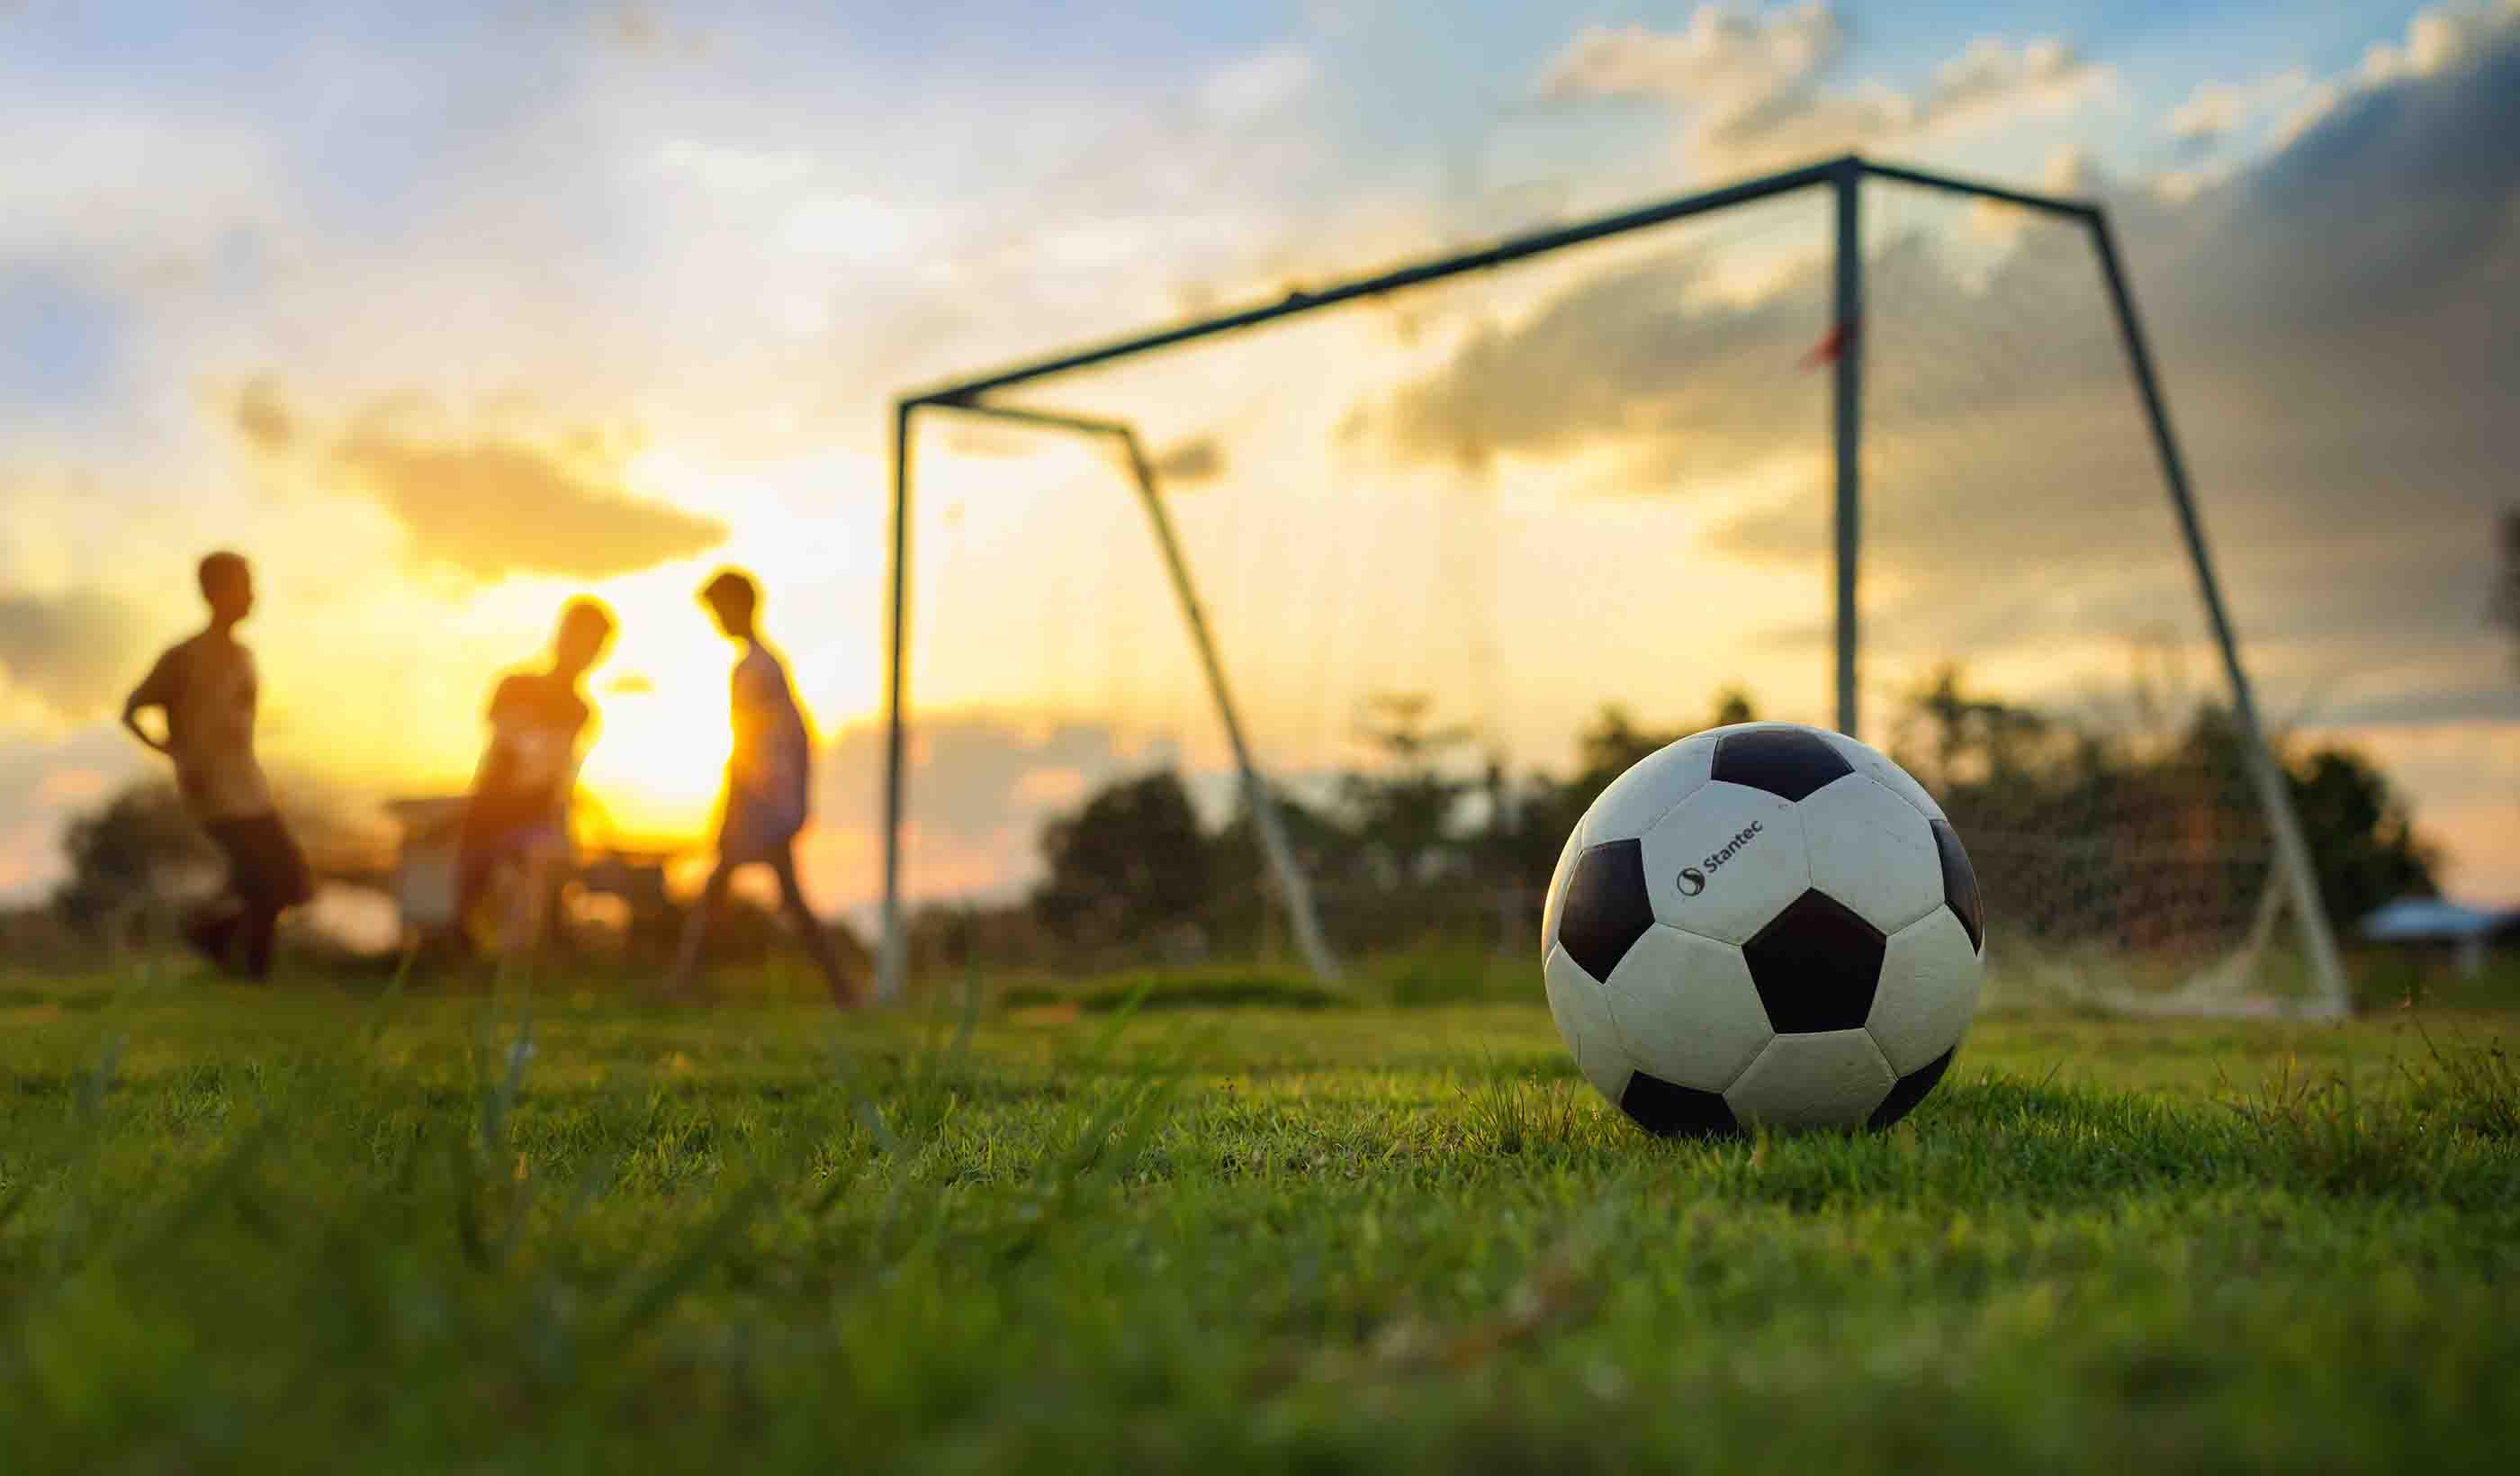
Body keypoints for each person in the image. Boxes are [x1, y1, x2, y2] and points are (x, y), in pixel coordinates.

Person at [122, 551, 312, 980]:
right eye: (243, 585)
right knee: (268, 880)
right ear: (215, 593)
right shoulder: (184, 658)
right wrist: (175, 753)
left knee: (287, 881)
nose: (252, 595)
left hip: (250, 786)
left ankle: (220, 943)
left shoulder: (243, 656)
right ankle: (240, 962)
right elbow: (131, 710)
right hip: (212, 789)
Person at [669, 569, 856, 1005]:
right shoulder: (766, 664)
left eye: (718, 610)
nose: (716, 620)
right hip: (771, 803)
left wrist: (735, 805)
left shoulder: (756, 669)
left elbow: (754, 745)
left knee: (727, 894)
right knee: (765, 898)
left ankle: (682, 983)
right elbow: (797, 738)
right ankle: (844, 991)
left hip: (760, 804)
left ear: (740, 607)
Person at [456, 598, 616, 956]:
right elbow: (507, 741)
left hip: (537, 820)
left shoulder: (581, 710)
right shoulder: (515, 685)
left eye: (594, 646)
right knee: (470, 907)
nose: (584, 653)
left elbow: (562, 775)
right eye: (580, 639)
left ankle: (538, 949)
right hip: (489, 816)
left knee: (541, 892)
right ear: (561, 636)